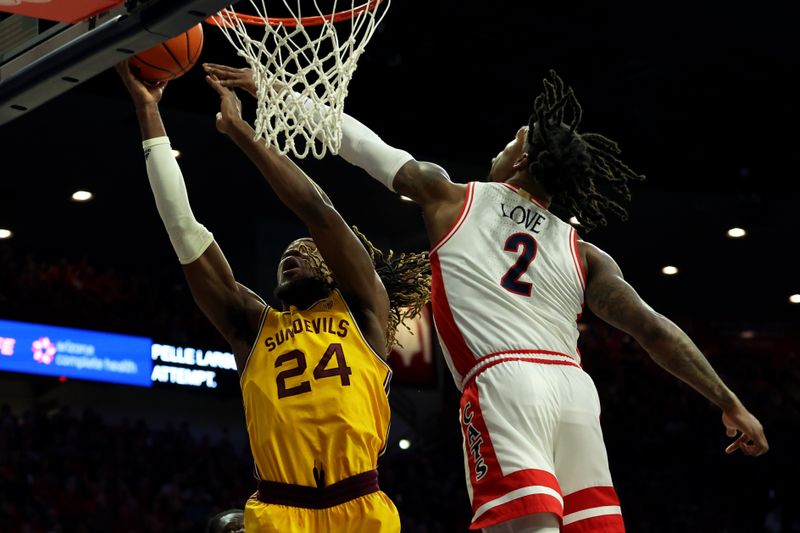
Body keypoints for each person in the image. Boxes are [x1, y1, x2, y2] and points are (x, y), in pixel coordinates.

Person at [203, 64, 769, 533]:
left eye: (509, 142)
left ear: (521, 161)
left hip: (504, 381)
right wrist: (728, 400)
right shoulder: (585, 253)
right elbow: (653, 330)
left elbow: (360, 144)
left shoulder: (451, 196)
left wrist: (274, 90)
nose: (500, 150)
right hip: (575, 391)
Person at [115, 60, 430, 533]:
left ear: (332, 268)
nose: (292, 255)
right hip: (280, 511)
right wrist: (148, 113)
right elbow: (184, 229)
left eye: (304, 251)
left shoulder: (364, 309)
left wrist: (243, 132)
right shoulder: (251, 324)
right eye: (286, 254)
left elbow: (317, 211)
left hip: (361, 506)